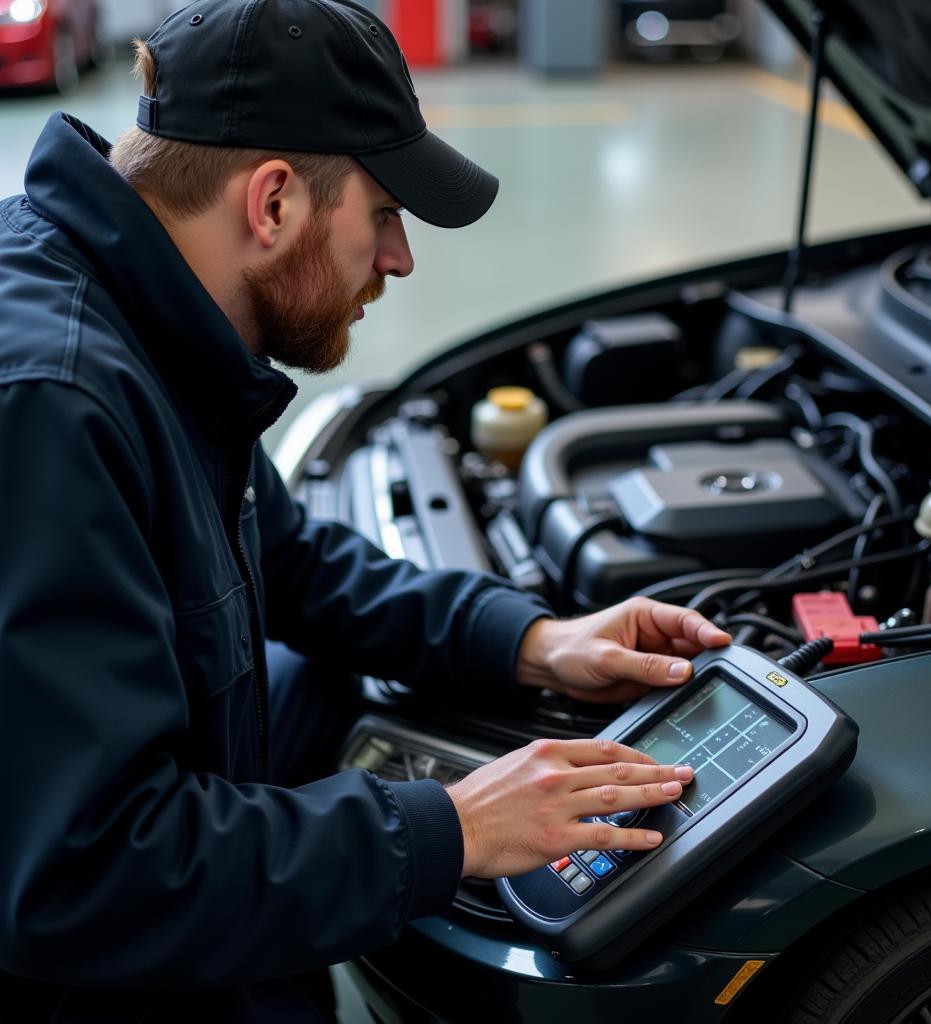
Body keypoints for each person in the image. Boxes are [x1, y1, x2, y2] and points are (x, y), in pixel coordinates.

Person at [0, 1, 731, 1020]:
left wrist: (532, 639)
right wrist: (452, 827)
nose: (400, 260)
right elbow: (84, 871)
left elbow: (286, 560)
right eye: (385, 213)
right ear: (273, 204)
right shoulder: (53, 405)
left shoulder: (152, 315)